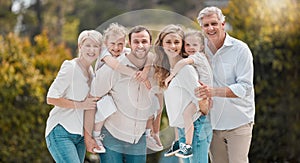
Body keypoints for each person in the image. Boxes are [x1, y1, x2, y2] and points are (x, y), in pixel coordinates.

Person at [84, 25, 163, 163]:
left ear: (150, 44)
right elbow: (92, 98)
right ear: (130, 44)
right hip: (111, 137)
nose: (140, 45)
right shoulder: (112, 68)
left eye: (144, 41)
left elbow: (159, 101)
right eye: (136, 42)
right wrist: (88, 137)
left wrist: (155, 132)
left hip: (138, 138)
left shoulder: (154, 71)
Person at [195, 6, 255, 163]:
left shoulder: (240, 49)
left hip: (239, 120)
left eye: (214, 23)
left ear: (223, 24)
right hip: (212, 123)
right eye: (206, 25)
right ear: (201, 28)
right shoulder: (199, 51)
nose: (211, 28)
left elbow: (245, 88)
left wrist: (213, 92)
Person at [154, 24, 210, 162]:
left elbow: (200, 98)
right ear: (161, 44)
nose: (173, 46)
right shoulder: (166, 71)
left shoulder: (186, 69)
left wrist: (203, 112)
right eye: (168, 42)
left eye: (177, 42)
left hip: (196, 128)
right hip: (182, 130)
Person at [45, 30, 102, 163]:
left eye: (96, 46)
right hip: (61, 131)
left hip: (79, 136)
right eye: (88, 45)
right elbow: (51, 98)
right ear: (80, 47)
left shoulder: (92, 73)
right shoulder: (70, 67)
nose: (91, 50)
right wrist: (81, 104)